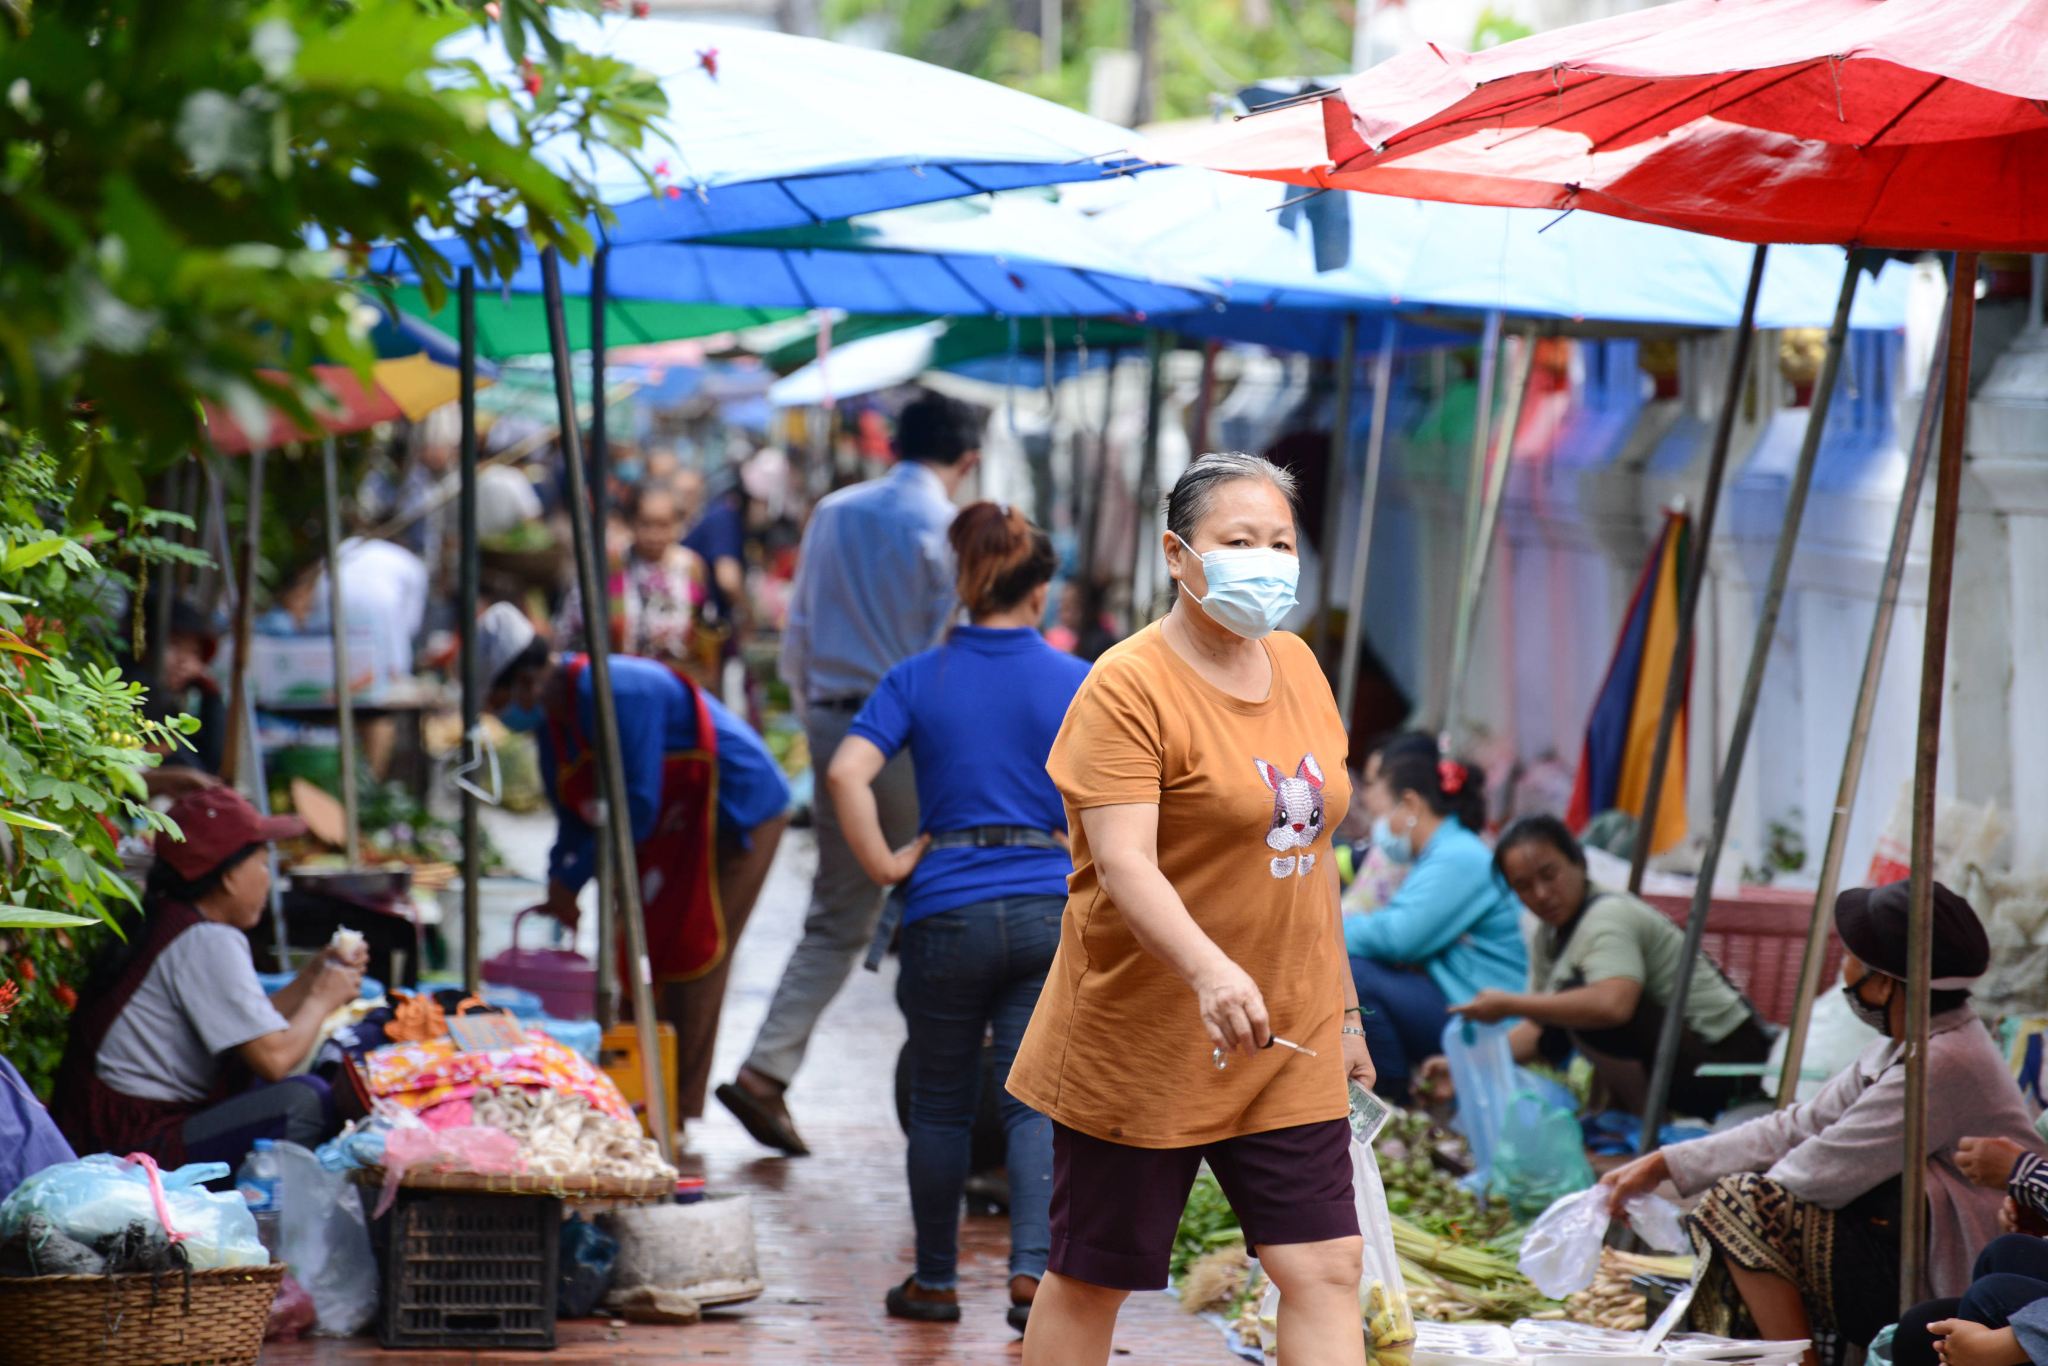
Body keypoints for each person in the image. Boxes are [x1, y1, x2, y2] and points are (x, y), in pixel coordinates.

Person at [1007, 452, 1374, 1366]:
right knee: (1094, 1275)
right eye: (1238, 541)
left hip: (1284, 1034)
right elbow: (1123, 862)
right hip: (1144, 1032)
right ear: (1178, 555)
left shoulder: (1299, 666)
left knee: (1326, 1265)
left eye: (1281, 542)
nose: (1266, 559)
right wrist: (1210, 970)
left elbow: (1315, 856)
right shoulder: (1127, 685)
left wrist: (1346, 1011)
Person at [826, 502, 1087, 1332]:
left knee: (939, 1104)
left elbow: (843, 774)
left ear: (967, 583)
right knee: (1032, 1099)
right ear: (1040, 590)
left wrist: (886, 863)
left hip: (943, 907)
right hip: (1048, 905)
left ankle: (935, 1282)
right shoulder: (1077, 679)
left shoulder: (917, 676)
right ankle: (1033, 1278)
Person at [1601, 881, 2041, 1365]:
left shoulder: (1944, 1062)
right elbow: (1800, 1124)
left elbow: (1820, 1173)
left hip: (1946, 1262)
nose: (1843, 972)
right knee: (1739, 1207)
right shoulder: (1904, 1043)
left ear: (1883, 981)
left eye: (1851, 958)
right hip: (1901, 1238)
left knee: (1739, 1208)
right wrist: (1667, 1164)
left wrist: (1730, 1208)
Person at [718, 392, 980, 1157]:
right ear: (965, 459)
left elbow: (795, 632)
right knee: (944, 906)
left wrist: (817, 716)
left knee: (842, 909)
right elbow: (949, 642)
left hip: (835, 722)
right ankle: (951, 1101)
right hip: (905, 728)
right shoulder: (945, 527)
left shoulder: (834, 511)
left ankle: (769, 1067)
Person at [475, 603, 790, 1142]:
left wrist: (576, 881)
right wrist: (560, 880)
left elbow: (635, 806)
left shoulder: (620, 692)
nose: (503, 717)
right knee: (639, 952)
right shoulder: (552, 726)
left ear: (527, 683)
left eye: (501, 702)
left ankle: (677, 1115)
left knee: (696, 952)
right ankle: (642, 1093)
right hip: (667, 830)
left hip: (737, 811)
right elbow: (574, 816)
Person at [50, 788, 363, 1168]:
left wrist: (315, 977)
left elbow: (253, 1029)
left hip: (114, 1128)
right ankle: (269, 1216)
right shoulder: (207, 940)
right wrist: (322, 999)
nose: (268, 879)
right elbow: (274, 1058)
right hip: (131, 1144)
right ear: (230, 877)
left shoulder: (176, 919)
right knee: (304, 1099)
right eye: (263, 865)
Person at [1446, 815, 1771, 1119]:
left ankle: (1647, 1124)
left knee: (1582, 1003)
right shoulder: (1546, 934)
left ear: (1578, 862)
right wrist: (1463, 1067)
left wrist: (1507, 1005)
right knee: (1565, 1008)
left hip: (1725, 1064)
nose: (1541, 894)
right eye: (1524, 886)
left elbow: (1612, 1005)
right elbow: (1538, 1029)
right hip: (1684, 1059)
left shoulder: (1609, 915)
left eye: (1549, 875)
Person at [1342, 742, 1526, 1102]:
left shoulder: (1459, 856)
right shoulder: (1445, 851)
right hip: (1460, 1001)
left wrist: (1325, 930)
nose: (1381, 829)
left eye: (1384, 815)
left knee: (1356, 975)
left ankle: (1390, 1098)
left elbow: (1397, 936)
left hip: (1485, 1018)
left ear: (1411, 804)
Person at [555, 483, 708, 668]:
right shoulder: (609, 565)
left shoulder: (691, 566)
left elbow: (703, 630)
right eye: (646, 524)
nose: (655, 535)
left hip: (674, 681)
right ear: (631, 522)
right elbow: (570, 626)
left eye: (664, 524)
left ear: (678, 524)